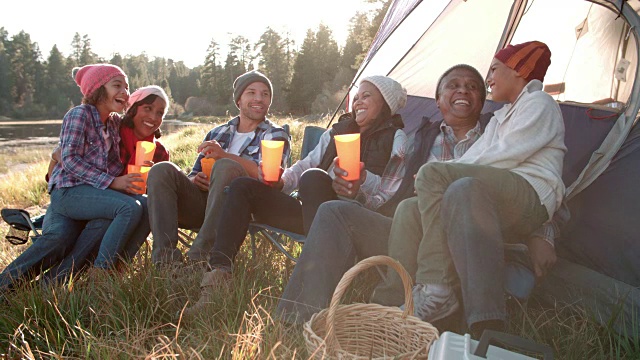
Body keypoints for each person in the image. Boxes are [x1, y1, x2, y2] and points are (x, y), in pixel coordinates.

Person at [373, 41, 566, 335]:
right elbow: (473, 160)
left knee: (437, 175)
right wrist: (439, 176)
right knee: (410, 207)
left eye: (494, 70)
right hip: (495, 201)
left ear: (518, 71)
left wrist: (440, 174)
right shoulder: (502, 117)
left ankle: (437, 289)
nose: (489, 79)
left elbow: (506, 154)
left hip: (531, 195)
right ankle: (391, 303)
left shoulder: (539, 104)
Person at [275, 64, 490, 323]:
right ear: (437, 100)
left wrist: (542, 235)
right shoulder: (421, 141)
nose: (463, 91)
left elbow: (524, 184)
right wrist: (360, 190)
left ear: (483, 100)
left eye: (472, 87)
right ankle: (295, 319)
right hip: (409, 232)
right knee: (334, 210)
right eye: (453, 85)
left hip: (463, 239)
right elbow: (386, 195)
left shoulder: (496, 135)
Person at [184, 75, 409, 317]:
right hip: (311, 213)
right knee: (243, 186)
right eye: (356, 96)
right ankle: (217, 278)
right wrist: (282, 181)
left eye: (367, 96)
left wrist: (361, 185)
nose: (358, 102)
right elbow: (304, 165)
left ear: (385, 103)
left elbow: (390, 190)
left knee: (314, 177)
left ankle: (315, 281)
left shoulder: (396, 138)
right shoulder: (336, 133)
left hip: (352, 221)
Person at [0, 64, 148, 292]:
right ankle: (101, 274)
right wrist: (113, 183)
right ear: (97, 89)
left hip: (93, 197)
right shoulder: (79, 115)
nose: (124, 92)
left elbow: (137, 129)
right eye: (117, 85)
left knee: (122, 214)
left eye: (127, 87)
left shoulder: (114, 123)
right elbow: (70, 161)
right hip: (69, 192)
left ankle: (50, 286)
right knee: (125, 210)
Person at [147, 70, 291, 265]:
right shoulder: (218, 132)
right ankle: (165, 262)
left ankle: (199, 258)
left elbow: (268, 177)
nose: (259, 98)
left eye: (265, 94)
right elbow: (194, 173)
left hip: (241, 208)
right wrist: (194, 180)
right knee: (161, 170)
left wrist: (225, 156)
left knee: (225, 167)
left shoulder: (275, 135)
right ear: (239, 100)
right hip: (203, 205)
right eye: (251, 92)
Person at [42, 85, 172, 283]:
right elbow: (66, 152)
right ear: (133, 108)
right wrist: (55, 156)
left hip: (120, 207)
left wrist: (155, 177)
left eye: (160, 113)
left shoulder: (159, 152)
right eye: (147, 108)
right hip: (84, 197)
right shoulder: (114, 128)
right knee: (72, 232)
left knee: (144, 205)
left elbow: (163, 189)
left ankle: (115, 269)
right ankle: (66, 278)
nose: (153, 117)